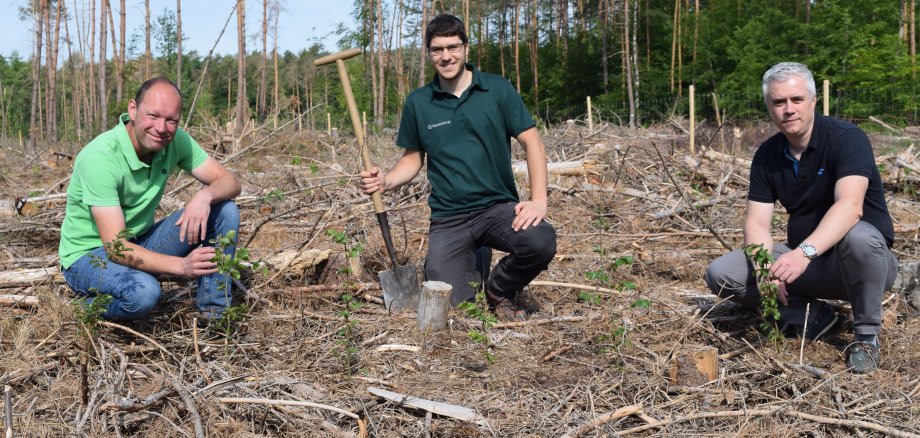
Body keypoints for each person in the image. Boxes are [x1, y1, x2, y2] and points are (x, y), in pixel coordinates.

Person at [359, 14, 556, 321]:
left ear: (466, 48)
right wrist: (385, 181)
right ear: (429, 52)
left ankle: (500, 288)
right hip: (449, 217)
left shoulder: (497, 90)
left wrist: (539, 199)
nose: (446, 56)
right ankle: (474, 254)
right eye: (437, 49)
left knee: (540, 241)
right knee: (456, 304)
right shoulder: (419, 103)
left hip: (497, 208)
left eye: (453, 47)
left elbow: (532, 142)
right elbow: (413, 158)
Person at [705, 62, 898, 373]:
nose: (788, 110)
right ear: (768, 106)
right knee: (722, 273)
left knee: (859, 236)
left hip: (861, 264)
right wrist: (765, 268)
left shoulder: (846, 138)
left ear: (813, 101)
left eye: (796, 100)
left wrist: (804, 253)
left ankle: (866, 336)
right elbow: (757, 223)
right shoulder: (768, 155)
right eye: (779, 102)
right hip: (806, 265)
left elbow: (850, 207)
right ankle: (814, 316)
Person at [59, 77, 242, 322]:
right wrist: (181, 266)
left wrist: (205, 195)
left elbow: (230, 181)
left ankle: (215, 313)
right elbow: (115, 248)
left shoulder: (176, 141)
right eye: (153, 116)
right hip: (89, 257)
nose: (161, 127)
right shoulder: (100, 158)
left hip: (140, 241)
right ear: (132, 109)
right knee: (143, 294)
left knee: (225, 211)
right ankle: (81, 309)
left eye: (171, 120)